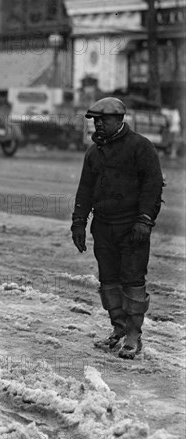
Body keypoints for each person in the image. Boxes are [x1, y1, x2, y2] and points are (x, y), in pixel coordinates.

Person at [71, 97, 164, 360]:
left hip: (132, 227)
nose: (98, 125)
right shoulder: (93, 152)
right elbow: (85, 189)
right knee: (109, 280)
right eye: (95, 121)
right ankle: (119, 329)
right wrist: (78, 222)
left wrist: (145, 220)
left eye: (104, 120)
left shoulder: (140, 147)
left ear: (120, 119)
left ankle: (134, 335)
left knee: (133, 280)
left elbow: (152, 186)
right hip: (103, 226)